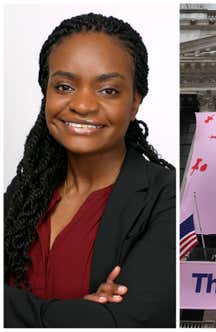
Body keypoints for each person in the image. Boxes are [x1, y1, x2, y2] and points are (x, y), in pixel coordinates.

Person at [4, 13, 175, 327]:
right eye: (65, 86)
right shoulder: (22, 192)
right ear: (46, 94)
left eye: (108, 90)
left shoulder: (168, 198)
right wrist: (75, 312)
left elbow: (125, 322)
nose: (82, 105)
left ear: (135, 101)